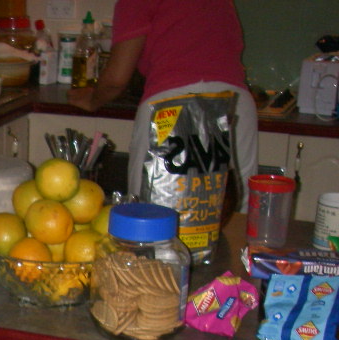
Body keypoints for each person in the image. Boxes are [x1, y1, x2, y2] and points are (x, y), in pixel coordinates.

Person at [67, 0, 258, 209]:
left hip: (172, 105)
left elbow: (115, 81)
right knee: (233, 212)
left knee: (149, 213)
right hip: (235, 104)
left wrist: (91, 100)